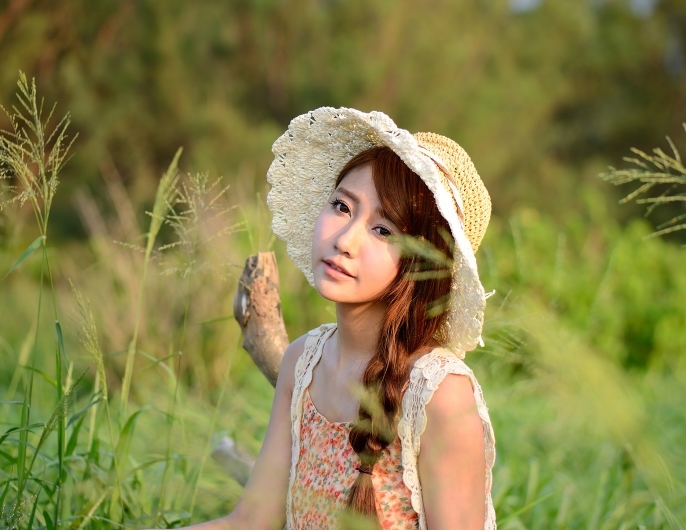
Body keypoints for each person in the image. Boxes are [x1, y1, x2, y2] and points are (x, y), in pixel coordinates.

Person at [186, 108, 496, 530]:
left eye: (383, 230)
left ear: (421, 265)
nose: (344, 240)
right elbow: (250, 521)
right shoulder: (304, 364)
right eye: (341, 206)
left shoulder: (439, 394)